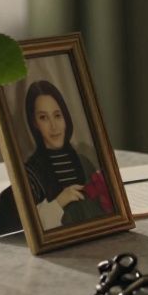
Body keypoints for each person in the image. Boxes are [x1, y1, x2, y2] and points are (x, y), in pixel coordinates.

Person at [22, 79, 112, 229]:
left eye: (57, 115)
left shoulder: (84, 162)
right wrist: (59, 202)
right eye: (43, 117)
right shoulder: (30, 173)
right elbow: (31, 225)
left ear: (65, 117)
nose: (54, 126)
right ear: (35, 123)